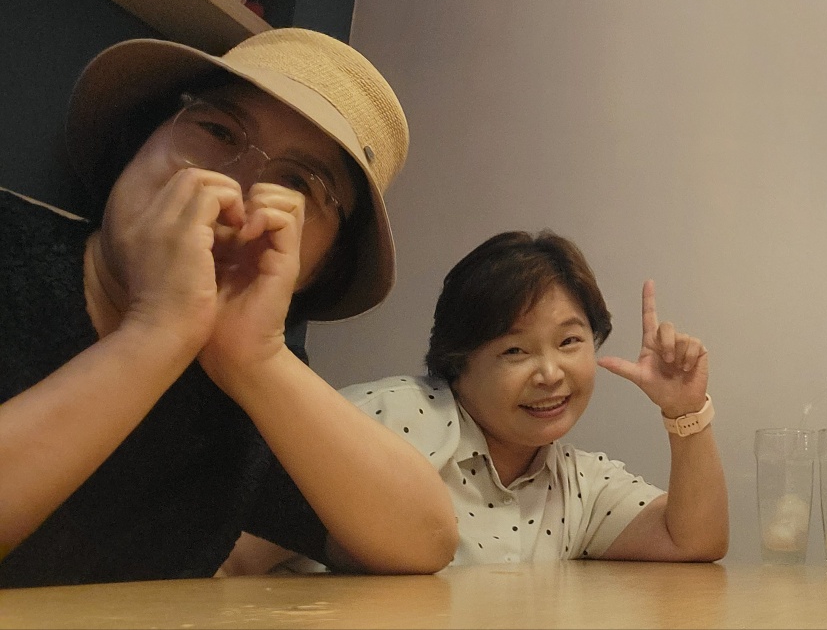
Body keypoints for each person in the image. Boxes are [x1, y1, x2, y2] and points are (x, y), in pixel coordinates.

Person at [0, 28, 457, 587]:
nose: (236, 185)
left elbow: (425, 539)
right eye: (218, 131)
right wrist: (156, 331)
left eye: (299, 182)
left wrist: (258, 360)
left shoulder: (243, 380)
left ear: (319, 267)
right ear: (142, 138)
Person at [228, 229, 728, 572]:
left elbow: (693, 540)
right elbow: (233, 555)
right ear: (457, 361)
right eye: (515, 351)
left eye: (570, 341)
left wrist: (685, 412)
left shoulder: (576, 482)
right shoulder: (389, 420)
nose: (550, 373)